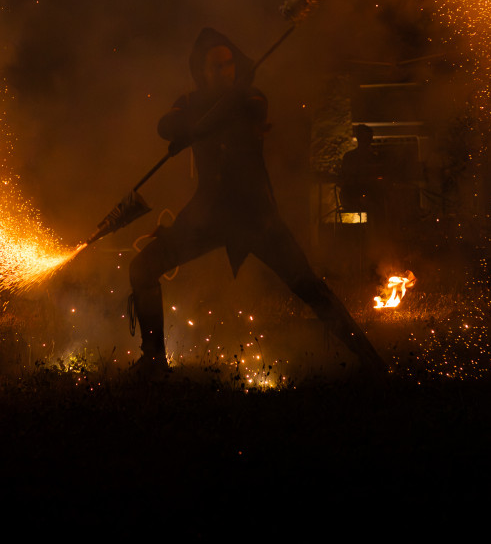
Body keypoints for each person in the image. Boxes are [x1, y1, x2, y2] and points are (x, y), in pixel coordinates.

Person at [129, 28, 384, 375]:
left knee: (308, 286)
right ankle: (154, 362)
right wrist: (186, 126)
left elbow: (247, 112)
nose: (223, 72)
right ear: (201, 71)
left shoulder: (250, 97)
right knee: (143, 267)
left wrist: (194, 129)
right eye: (215, 67)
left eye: (228, 65)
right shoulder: (189, 102)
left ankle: (370, 360)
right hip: (209, 214)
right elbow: (165, 125)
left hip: (256, 215)